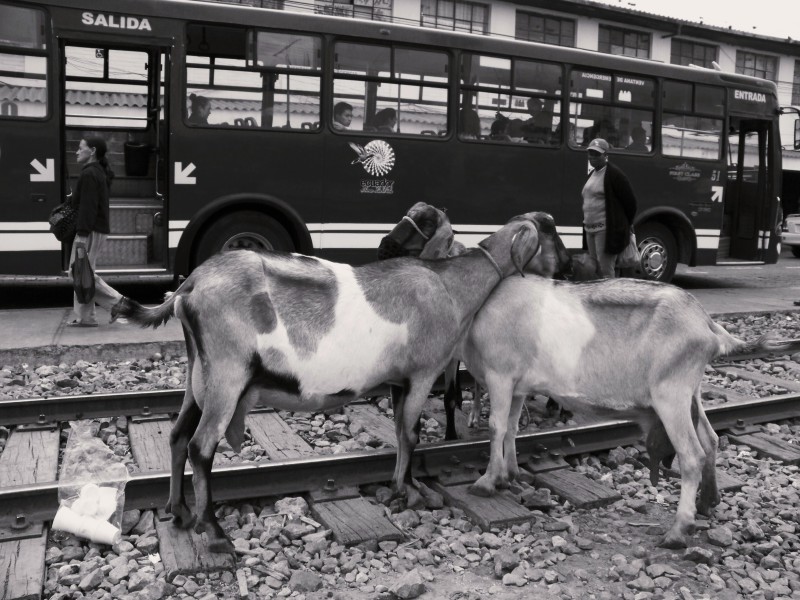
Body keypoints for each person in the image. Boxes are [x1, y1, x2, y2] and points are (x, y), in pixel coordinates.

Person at [67, 136, 125, 327]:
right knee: (82, 271)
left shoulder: (90, 174)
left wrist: (82, 233)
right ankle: (86, 318)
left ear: (91, 151)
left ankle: (117, 302)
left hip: (90, 230)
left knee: (80, 272)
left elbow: (88, 207)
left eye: (80, 147)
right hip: (94, 229)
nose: (76, 151)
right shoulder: (96, 172)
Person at [581, 138, 638, 279]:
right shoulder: (593, 173)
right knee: (595, 269)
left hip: (605, 230)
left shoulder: (615, 174)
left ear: (606, 155)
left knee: (605, 270)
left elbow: (630, 202)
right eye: (590, 153)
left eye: (596, 154)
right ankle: (599, 299)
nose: (592, 157)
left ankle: (610, 300)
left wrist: (625, 224)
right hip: (590, 229)